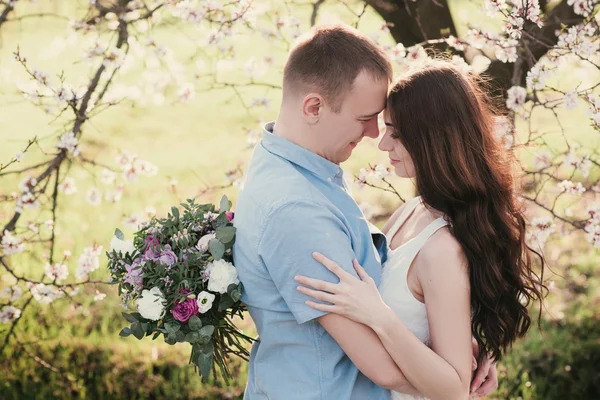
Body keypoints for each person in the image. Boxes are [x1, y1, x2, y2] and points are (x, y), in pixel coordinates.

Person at [233, 25, 497, 400]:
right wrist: (455, 381)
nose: (376, 134)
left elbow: (403, 285)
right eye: (364, 118)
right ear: (314, 107)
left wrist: (454, 344)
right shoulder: (297, 210)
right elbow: (386, 369)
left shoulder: (289, 165)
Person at [295, 63, 546, 400]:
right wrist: (466, 347)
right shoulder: (413, 211)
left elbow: (455, 390)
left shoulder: (442, 250)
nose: (383, 144)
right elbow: (428, 321)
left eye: (396, 133)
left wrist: (379, 316)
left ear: (433, 138)